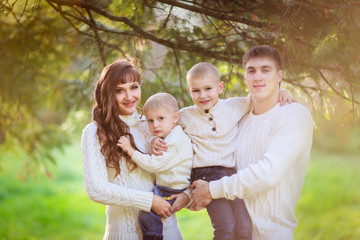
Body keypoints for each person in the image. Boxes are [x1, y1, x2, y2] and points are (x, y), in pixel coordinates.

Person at [152, 62, 293, 240]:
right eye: (196, 91)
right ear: (190, 91)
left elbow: (259, 98)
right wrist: (154, 138)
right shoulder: (185, 116)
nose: (202, 95)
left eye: (208, 89)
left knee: (243, 227)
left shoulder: (233, 106)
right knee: (225, 227)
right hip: (205, 176)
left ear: (220, 87)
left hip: (231, 174)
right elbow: (160, 123)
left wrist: (282, 92)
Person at [191, 45, 313, 240]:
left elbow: (269, 172)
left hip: (272, 234)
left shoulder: (295, 115)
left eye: (266, 70)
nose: (258, 77)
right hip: (236, 231)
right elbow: (209, 155)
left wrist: (212, 190)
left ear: (279, 76)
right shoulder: (240, 117)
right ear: (245, 77)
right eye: (251, 71)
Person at [81, 60, 190, 240]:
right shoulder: (95, 132)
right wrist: (149, 201)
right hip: (124, 233)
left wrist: (188, 194)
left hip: (167, 230)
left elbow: (184, 159)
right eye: (119, 90)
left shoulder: (153, 124)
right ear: (108, 93)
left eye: (134, 87)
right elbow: (96, 189)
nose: (129, 96)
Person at [117, 92, 193, 240]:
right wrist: (152, 138)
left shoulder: (175, 140)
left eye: (160, 119)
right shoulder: (169, 134)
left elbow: (154, 165)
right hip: (165, 186)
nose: (155, 125)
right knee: (149, 212)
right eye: (150, 120)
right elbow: (150, 134)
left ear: (175, 117)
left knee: (148, 212)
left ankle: (153, 237)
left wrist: (130, 150)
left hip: (173, 189)